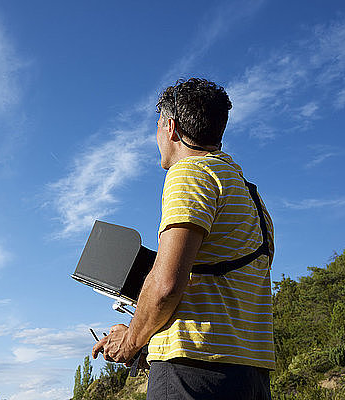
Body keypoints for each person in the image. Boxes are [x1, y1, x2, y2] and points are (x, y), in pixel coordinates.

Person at [92, 78, 274, 400]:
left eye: (157, 125)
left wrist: (130, 343)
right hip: (251, 374)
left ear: (170, 127)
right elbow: (214, 292)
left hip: (193, 373)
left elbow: (165, 286)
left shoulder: (189, 173)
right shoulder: (250, 195)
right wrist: (137, 331)